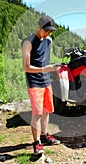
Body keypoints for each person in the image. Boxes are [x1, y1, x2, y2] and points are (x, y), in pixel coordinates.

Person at [21, 15, 60, 155]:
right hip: (34, 83)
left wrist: (52, 68)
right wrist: (45, 69)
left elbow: (43, 60)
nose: (48, 33)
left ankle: (45, 135)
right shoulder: (28, 42)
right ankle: (36, 143)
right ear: (38, 27)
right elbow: (26, 67)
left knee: (46, 111)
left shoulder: (49, 40)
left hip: (46, 80)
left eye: (50, 31)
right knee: (37, 113)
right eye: (46, 30)